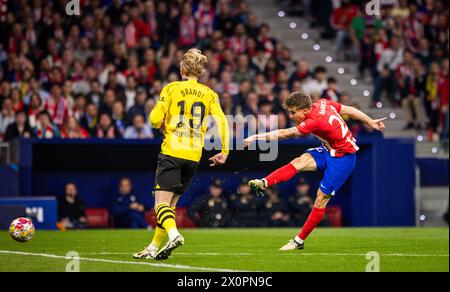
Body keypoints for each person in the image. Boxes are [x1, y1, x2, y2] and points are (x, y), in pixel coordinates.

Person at [243, 91, 385, 250]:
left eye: (293, 112)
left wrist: (255, 138)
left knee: (320, 198)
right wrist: (370, 121)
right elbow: (349, 110)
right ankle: (264, 182)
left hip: (343, 158)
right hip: (328, 150)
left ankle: (299, 241)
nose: (290, 116)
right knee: (299, 162)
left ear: (305, 111)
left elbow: (284, 134)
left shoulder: (314, 121)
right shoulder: (323, 103)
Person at [133, 48, 230, 261]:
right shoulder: (210, 94)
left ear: (182, 68)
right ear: (201, 70)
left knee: (160, 205)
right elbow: (222, 121)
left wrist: (161, 122)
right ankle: (152, 247)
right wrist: (224, 151)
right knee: (170, 206)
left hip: (172, 152)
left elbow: (153, 120)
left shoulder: (171, 88)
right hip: (194, 156)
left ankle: (174, 234)